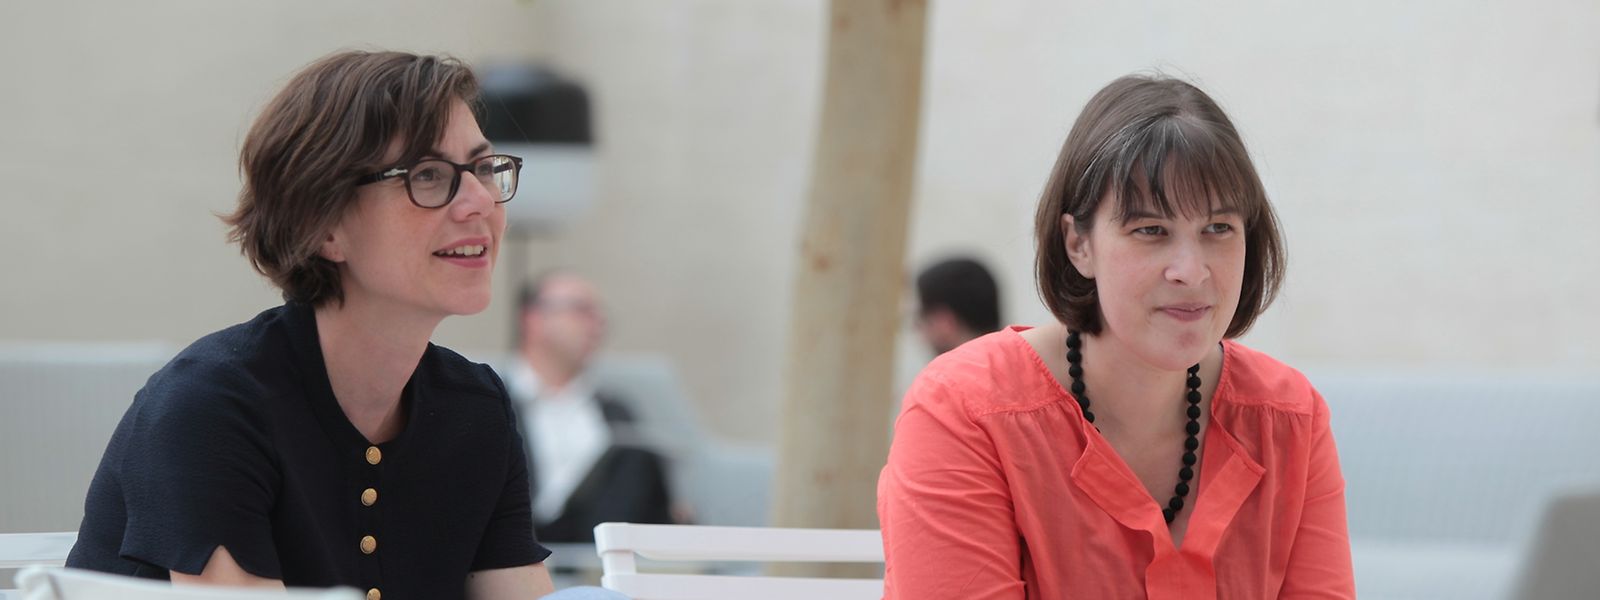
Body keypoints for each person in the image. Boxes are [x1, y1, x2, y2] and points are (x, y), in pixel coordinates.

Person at [66, 51, 621, 600]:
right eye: (428, 176)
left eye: (482, 168)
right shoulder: (210, 404)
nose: (479, 201)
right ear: (323, 225)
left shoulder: (474, 407)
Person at [877, 74, 1354, 598]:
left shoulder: (1290, 419)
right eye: (1150, 230)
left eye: (1219, 228)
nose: (1191, 271)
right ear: (1078, 244)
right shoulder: (965, 410)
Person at [509, 272, 676, 543]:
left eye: (600, 314)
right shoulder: (493, 403)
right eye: (581, 310)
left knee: (635, 456)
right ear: (533, 319)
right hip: (519, 544)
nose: (597, 323)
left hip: (594, 551)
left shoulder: (616, 412)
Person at [913, 256, 1002, 355]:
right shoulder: (1011, 357)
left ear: (944, 322)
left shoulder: (950, 365)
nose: (919, 333)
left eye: (920, 319)